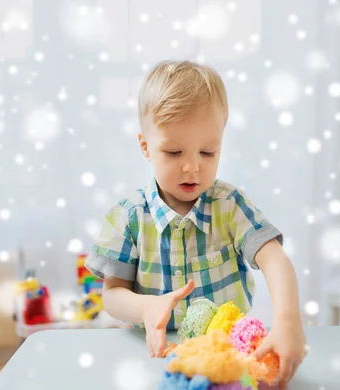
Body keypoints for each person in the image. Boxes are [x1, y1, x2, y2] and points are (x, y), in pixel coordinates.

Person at [85, 60, 306, 388]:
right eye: (174, 152)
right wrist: (146, 307)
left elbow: (274, 259)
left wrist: (288, 321)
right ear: (146, 147)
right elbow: (113, 295)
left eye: (207, 152)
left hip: (225, 356)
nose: (192, 167)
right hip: (154, 357)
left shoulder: (230, 205)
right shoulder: (128, 215)